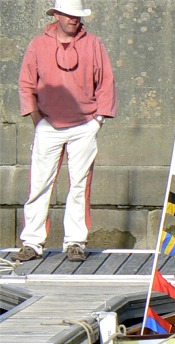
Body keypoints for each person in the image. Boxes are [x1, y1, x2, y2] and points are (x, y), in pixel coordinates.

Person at [14, 0, 116, 264]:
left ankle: (75, 243)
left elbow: (105, 82)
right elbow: (26, 82)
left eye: (77, 16)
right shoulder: (38, 44)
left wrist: (99, 120)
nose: (74, 20)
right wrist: (37, 119)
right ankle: (32, 242)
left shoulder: (93, 44)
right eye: (69, 15)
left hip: (85, 124)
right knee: (39, 184)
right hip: (48, 124)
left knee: (79, 185)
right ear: (57, 15)